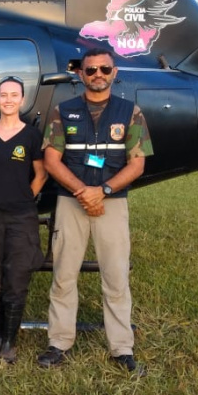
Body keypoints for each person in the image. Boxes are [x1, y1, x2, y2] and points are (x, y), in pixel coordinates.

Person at [37, 47, 153, 375]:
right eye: (91, 70)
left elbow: (138, 163)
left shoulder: (130, 112)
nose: (98, 75)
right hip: (71, 203)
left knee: (115, 277)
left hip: (112, 203)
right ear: (80, 75)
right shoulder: (65, 111)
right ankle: (59, 343)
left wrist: (101, 191)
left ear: (114, 73)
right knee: (63, 276)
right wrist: (82, 191)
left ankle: (121, 348)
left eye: (104, 69)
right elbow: (51, 161)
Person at [0, 75, 47, 363]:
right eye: (3, 95)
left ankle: (10, 343)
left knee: (17, 275)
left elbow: (41, 173)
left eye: (14, 95)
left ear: (22, 100)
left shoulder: (30, 135)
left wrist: (24, 196)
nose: (8, 100)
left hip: (22, 216)